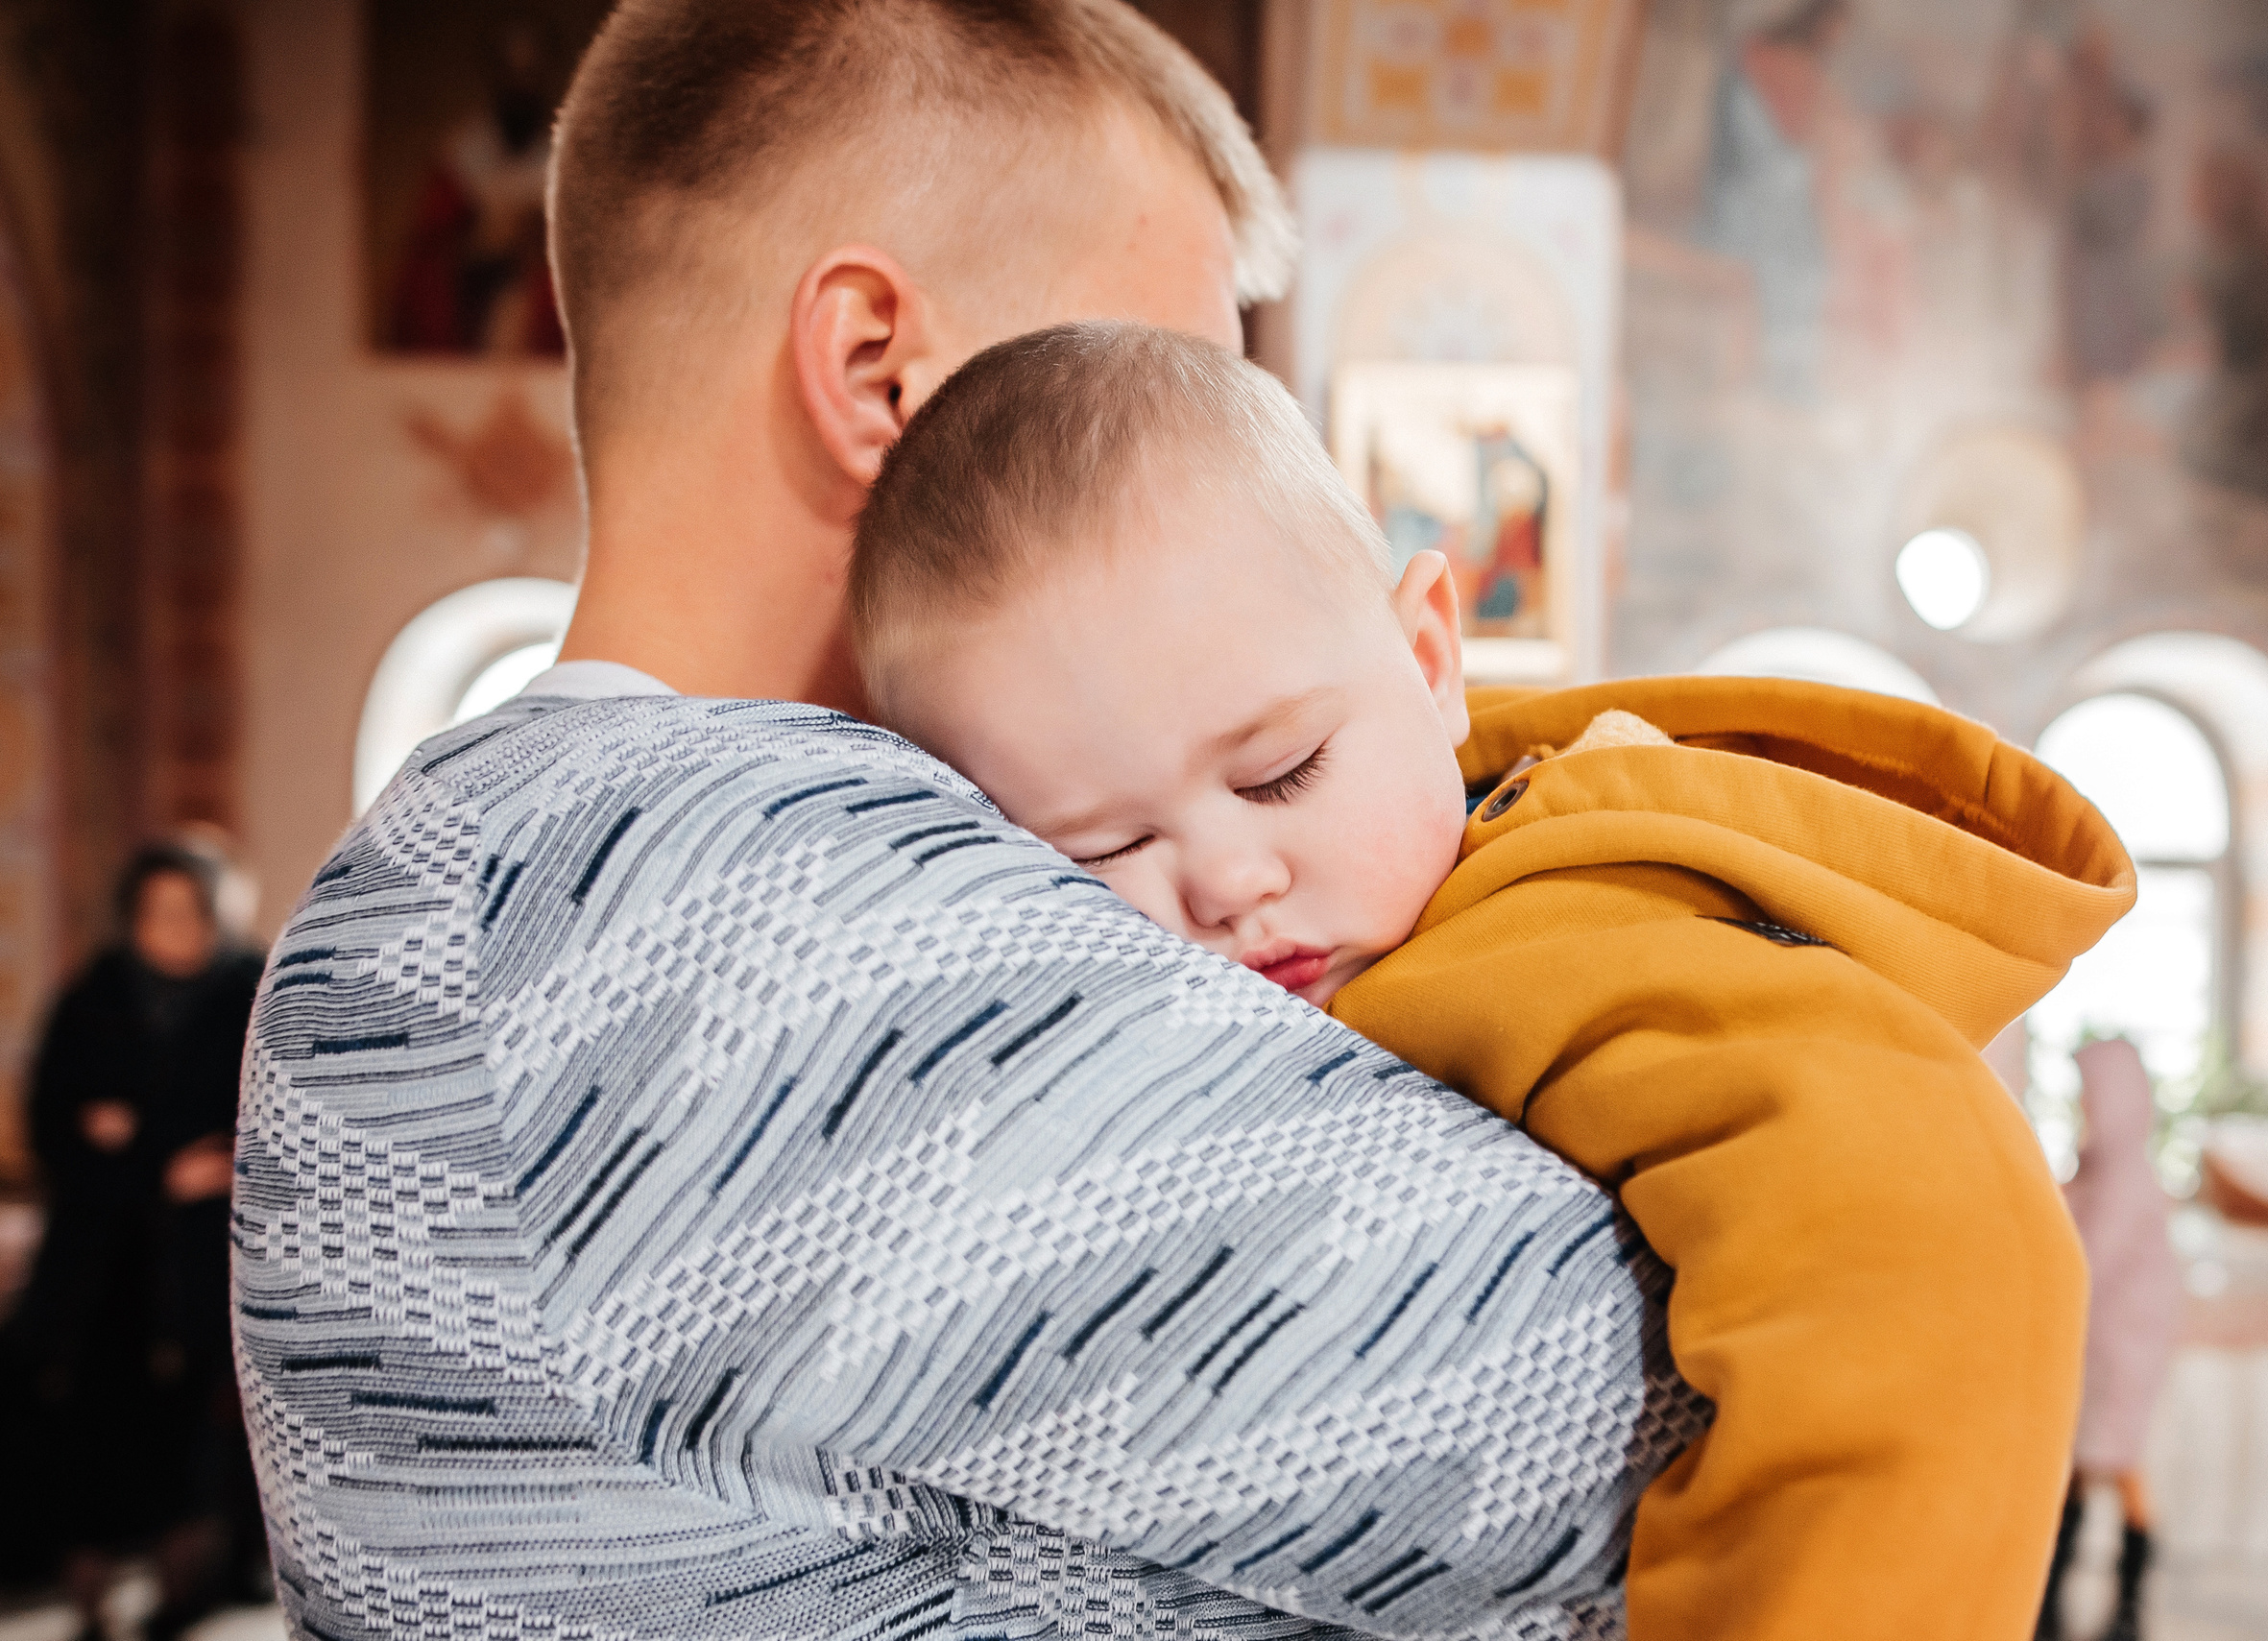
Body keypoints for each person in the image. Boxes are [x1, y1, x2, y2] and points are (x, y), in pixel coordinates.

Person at [237, 6, 2088, 1641]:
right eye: (1136, 380)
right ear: (881, 368)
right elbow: (1692, 1415)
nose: (1188, 460)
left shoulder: (489, 874)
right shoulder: (693, 889)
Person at [850, 320, 2135, 1637]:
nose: (1228, 879)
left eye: (1282, 771)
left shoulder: (1585, 931)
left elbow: (1936, 1251)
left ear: (1429, 662)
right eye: (1100, 848)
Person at [13, 844, 262, 1641]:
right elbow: (58, 1125)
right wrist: (160, 1165)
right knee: (88, 1433)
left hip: (206, 1264)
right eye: (158, 911)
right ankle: (89, 1596)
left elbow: (251, 1126)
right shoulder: (96, 994)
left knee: (193, 1438)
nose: (175, 928)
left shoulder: (247, 989)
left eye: (190, 910)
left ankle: (186, 1590)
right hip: (100, 1267)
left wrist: (135, 1136)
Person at [2038, 1038, 2183, 1641]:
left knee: (2121, 1469)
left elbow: (2086, 1264)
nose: (2082, 1109)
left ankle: (2128, 1609)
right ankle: (2052, 1601)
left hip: (2119, 1357)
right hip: (2095, 1353)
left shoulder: (2125, 1182)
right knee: (2081, 1469)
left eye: (2088, 1097)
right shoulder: (2097, 1175)